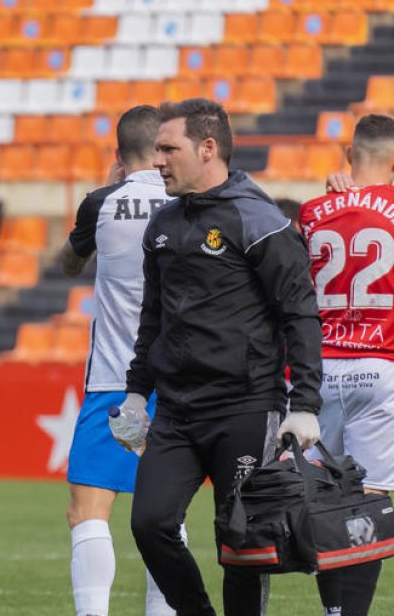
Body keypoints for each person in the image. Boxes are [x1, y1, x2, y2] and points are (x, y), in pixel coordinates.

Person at [124, 98, 323, 616]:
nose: (157, 160)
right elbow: (152, 319)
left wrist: (304, 404)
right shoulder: (162, 224)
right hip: (174, 412)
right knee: (149, 522)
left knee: (241, 543)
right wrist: (132, 394)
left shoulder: (260, 220)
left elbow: (300, 314)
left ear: (208, 148)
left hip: (246, 406)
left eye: (169, 149)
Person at [59, 106, 178, 616]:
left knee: (89, 512)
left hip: (114, 379)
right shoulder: (186, 201)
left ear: (119, 155)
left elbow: (68, 264)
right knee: (165, 517)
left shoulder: (100, 203)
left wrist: (111, 189)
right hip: (177, 380)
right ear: (162, 151)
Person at [299, 114, 394, 616]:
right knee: (370, 498)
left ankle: (333, 611)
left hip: (322, 370)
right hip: (379, 366)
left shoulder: (314, 211)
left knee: (325, 497)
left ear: (347, 153)